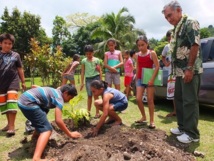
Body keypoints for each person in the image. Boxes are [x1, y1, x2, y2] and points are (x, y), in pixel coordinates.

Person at [162, 0, 203, 143]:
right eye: (166, 17)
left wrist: (189, 68)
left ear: (179, 10)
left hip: (189, 70)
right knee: (178, 99)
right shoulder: (176, 28)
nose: (168, 19)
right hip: (178, 71)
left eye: (169, 15)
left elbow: (195, 45)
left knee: (189, 101)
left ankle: (192, 134)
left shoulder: (190, 22)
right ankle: (182, 127)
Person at [18, 84, 82, 161]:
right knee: (47, 130)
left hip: (23, 100)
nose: (69, 100)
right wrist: (70, 134)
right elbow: (58, 121)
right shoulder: (59, 98)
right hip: (29, 103)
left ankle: (35, 138)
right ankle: (36, 158)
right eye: (70, 97)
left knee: (43, 115)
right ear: (65, 93)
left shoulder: (56, 91)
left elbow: (34, 86)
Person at [0, 33, 26, 136]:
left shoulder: (16, 55)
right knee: (5, 105)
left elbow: (20, 69)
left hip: (13, 82)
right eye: (5, 43)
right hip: (1, 84)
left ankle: (12, 127)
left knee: (11, 102)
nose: (7, 45)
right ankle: (9, 124)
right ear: (0, 43)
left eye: (10, 43)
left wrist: (23, 81)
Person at [134, 35, 159, 129]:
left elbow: (157, 66)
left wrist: (152, 80)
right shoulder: (137, 55)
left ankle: (152, 120)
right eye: (139, 45)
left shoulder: (152, 53)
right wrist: (136, 78)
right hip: (140, 78)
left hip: (149, 79)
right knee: (138, 99)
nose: (141, 47)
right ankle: (144, 117)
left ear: (147, 44)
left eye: (142, 45)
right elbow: (137, 66)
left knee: (150, 99)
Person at [80, 45, 102, 118]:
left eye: (90, 53)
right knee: (89, 96)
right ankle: (88, 112)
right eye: (87, 54)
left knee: (96, 96)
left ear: (93, 53)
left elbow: (100, 70)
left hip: (96, 78)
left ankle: (97, 112)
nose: (88, 55)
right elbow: (82, 72)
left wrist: (101, 80)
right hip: (88, 79)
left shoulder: (97, 60)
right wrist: (82, 82)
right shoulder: (83, 61)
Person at [161, 30, 176, 117]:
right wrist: (165, 63)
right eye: (168, 39)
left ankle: (181, 111)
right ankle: (175, 111)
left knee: (179, 93)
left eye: (171, 38)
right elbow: (163, 56)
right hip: (171, 72)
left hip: (179, 73)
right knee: (173, 93)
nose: (170, 40)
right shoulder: (167, 47)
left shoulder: (179, 45)